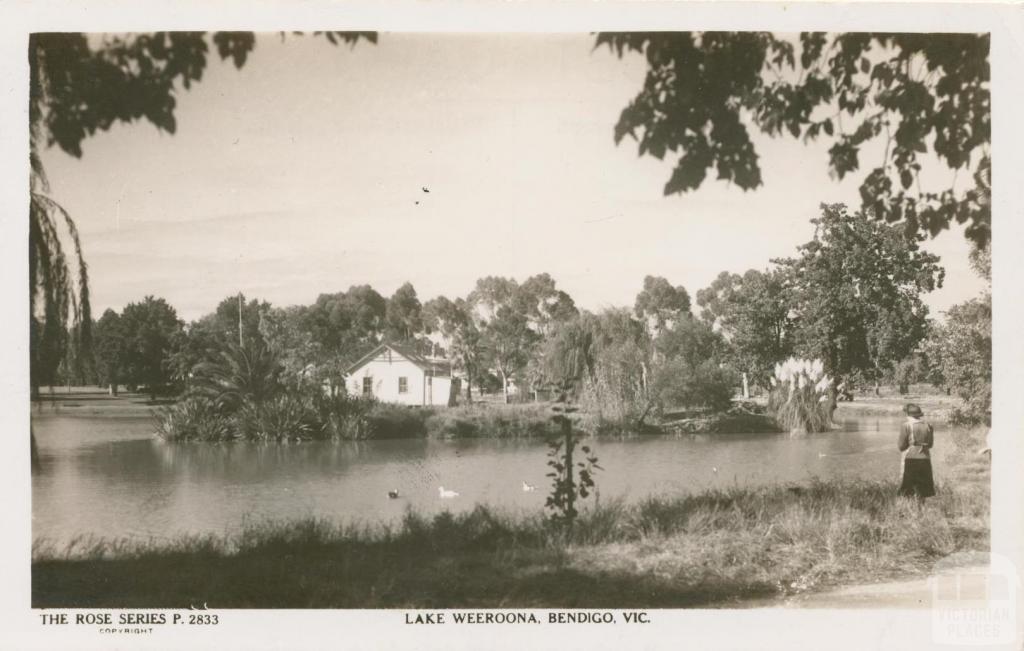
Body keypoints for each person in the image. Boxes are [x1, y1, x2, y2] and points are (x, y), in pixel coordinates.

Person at [898, 403, 935, 503]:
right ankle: (921, 508)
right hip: (925, 458)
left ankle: (909, 508)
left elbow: (901, 447)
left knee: (908, 488)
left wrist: (911, 444)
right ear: (919, 415)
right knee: (923, 490)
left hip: (911, 458)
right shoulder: (929, 426)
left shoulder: (906, 425)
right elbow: (930, 445)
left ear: (908, 415)